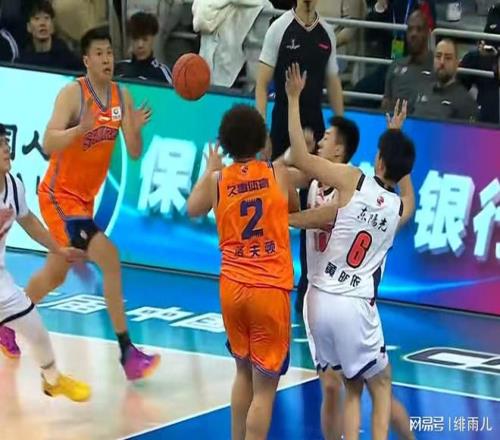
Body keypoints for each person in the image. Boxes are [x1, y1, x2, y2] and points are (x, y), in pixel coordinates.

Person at [0, 27, 160, 381]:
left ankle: (6, 323)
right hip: (58, 197)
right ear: (86, 60)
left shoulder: (121, 96)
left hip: (84, 202)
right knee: (110, 258)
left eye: (109, 53)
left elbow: (134, 153)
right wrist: (79, 130)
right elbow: (49, 141)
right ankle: (127, 353)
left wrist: (135, 129)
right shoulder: (74, 94)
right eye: (99, 53)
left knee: (56, 273)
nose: (106, 59)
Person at [286, 63, 416, 440]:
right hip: (351, 302)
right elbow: (408, 198)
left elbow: (302, 161)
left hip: (319, 299)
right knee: (374, 386)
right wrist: (396, 137)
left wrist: (293, 100)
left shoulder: (351, 181)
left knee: (353, 387)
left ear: (377, 159)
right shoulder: (395, 209)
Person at [186, 105, 297, 440]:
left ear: (225, 143)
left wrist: (210, 170)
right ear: (263, 139)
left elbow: (192, 208)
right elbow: (293, 209)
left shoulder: (218, 181)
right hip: (269, 289)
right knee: (265, 390)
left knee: (242, 373)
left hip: (233, 289)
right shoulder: (278, 174)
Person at [256, 0, 345, 315]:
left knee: (313, 207)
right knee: (273, 203)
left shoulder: (327, 34)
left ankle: (308, 283)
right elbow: (261, 83)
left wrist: (340, 129)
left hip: (314, 131)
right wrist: (262, 132)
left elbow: (334, 84)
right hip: (282, 127)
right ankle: (266, 277)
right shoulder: (279, 28)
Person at [0, 123, 90, 402]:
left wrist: (59, 249)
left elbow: (29, 221)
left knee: (35, 328)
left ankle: (53, 381)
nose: (6, 149)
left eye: (6, 143)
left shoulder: (13, 186)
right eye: (0, 145)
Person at [413, 38, 479, 122]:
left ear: (457, 63)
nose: (442, 62)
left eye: (448, 58)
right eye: (438, 56)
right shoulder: (422, 90)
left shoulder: (466, 103)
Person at [18, 1, 81, 71]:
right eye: (37, 18)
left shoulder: (65, 55)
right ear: (29, 27)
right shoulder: (23, 58)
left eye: (46, 18)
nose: (42, 23)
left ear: (52, 26)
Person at [115, 11, 172, 84]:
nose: (140, 45)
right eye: (135, 39)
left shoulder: (161, 72)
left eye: (145, 39)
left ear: (153, 39)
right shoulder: (119, 68)